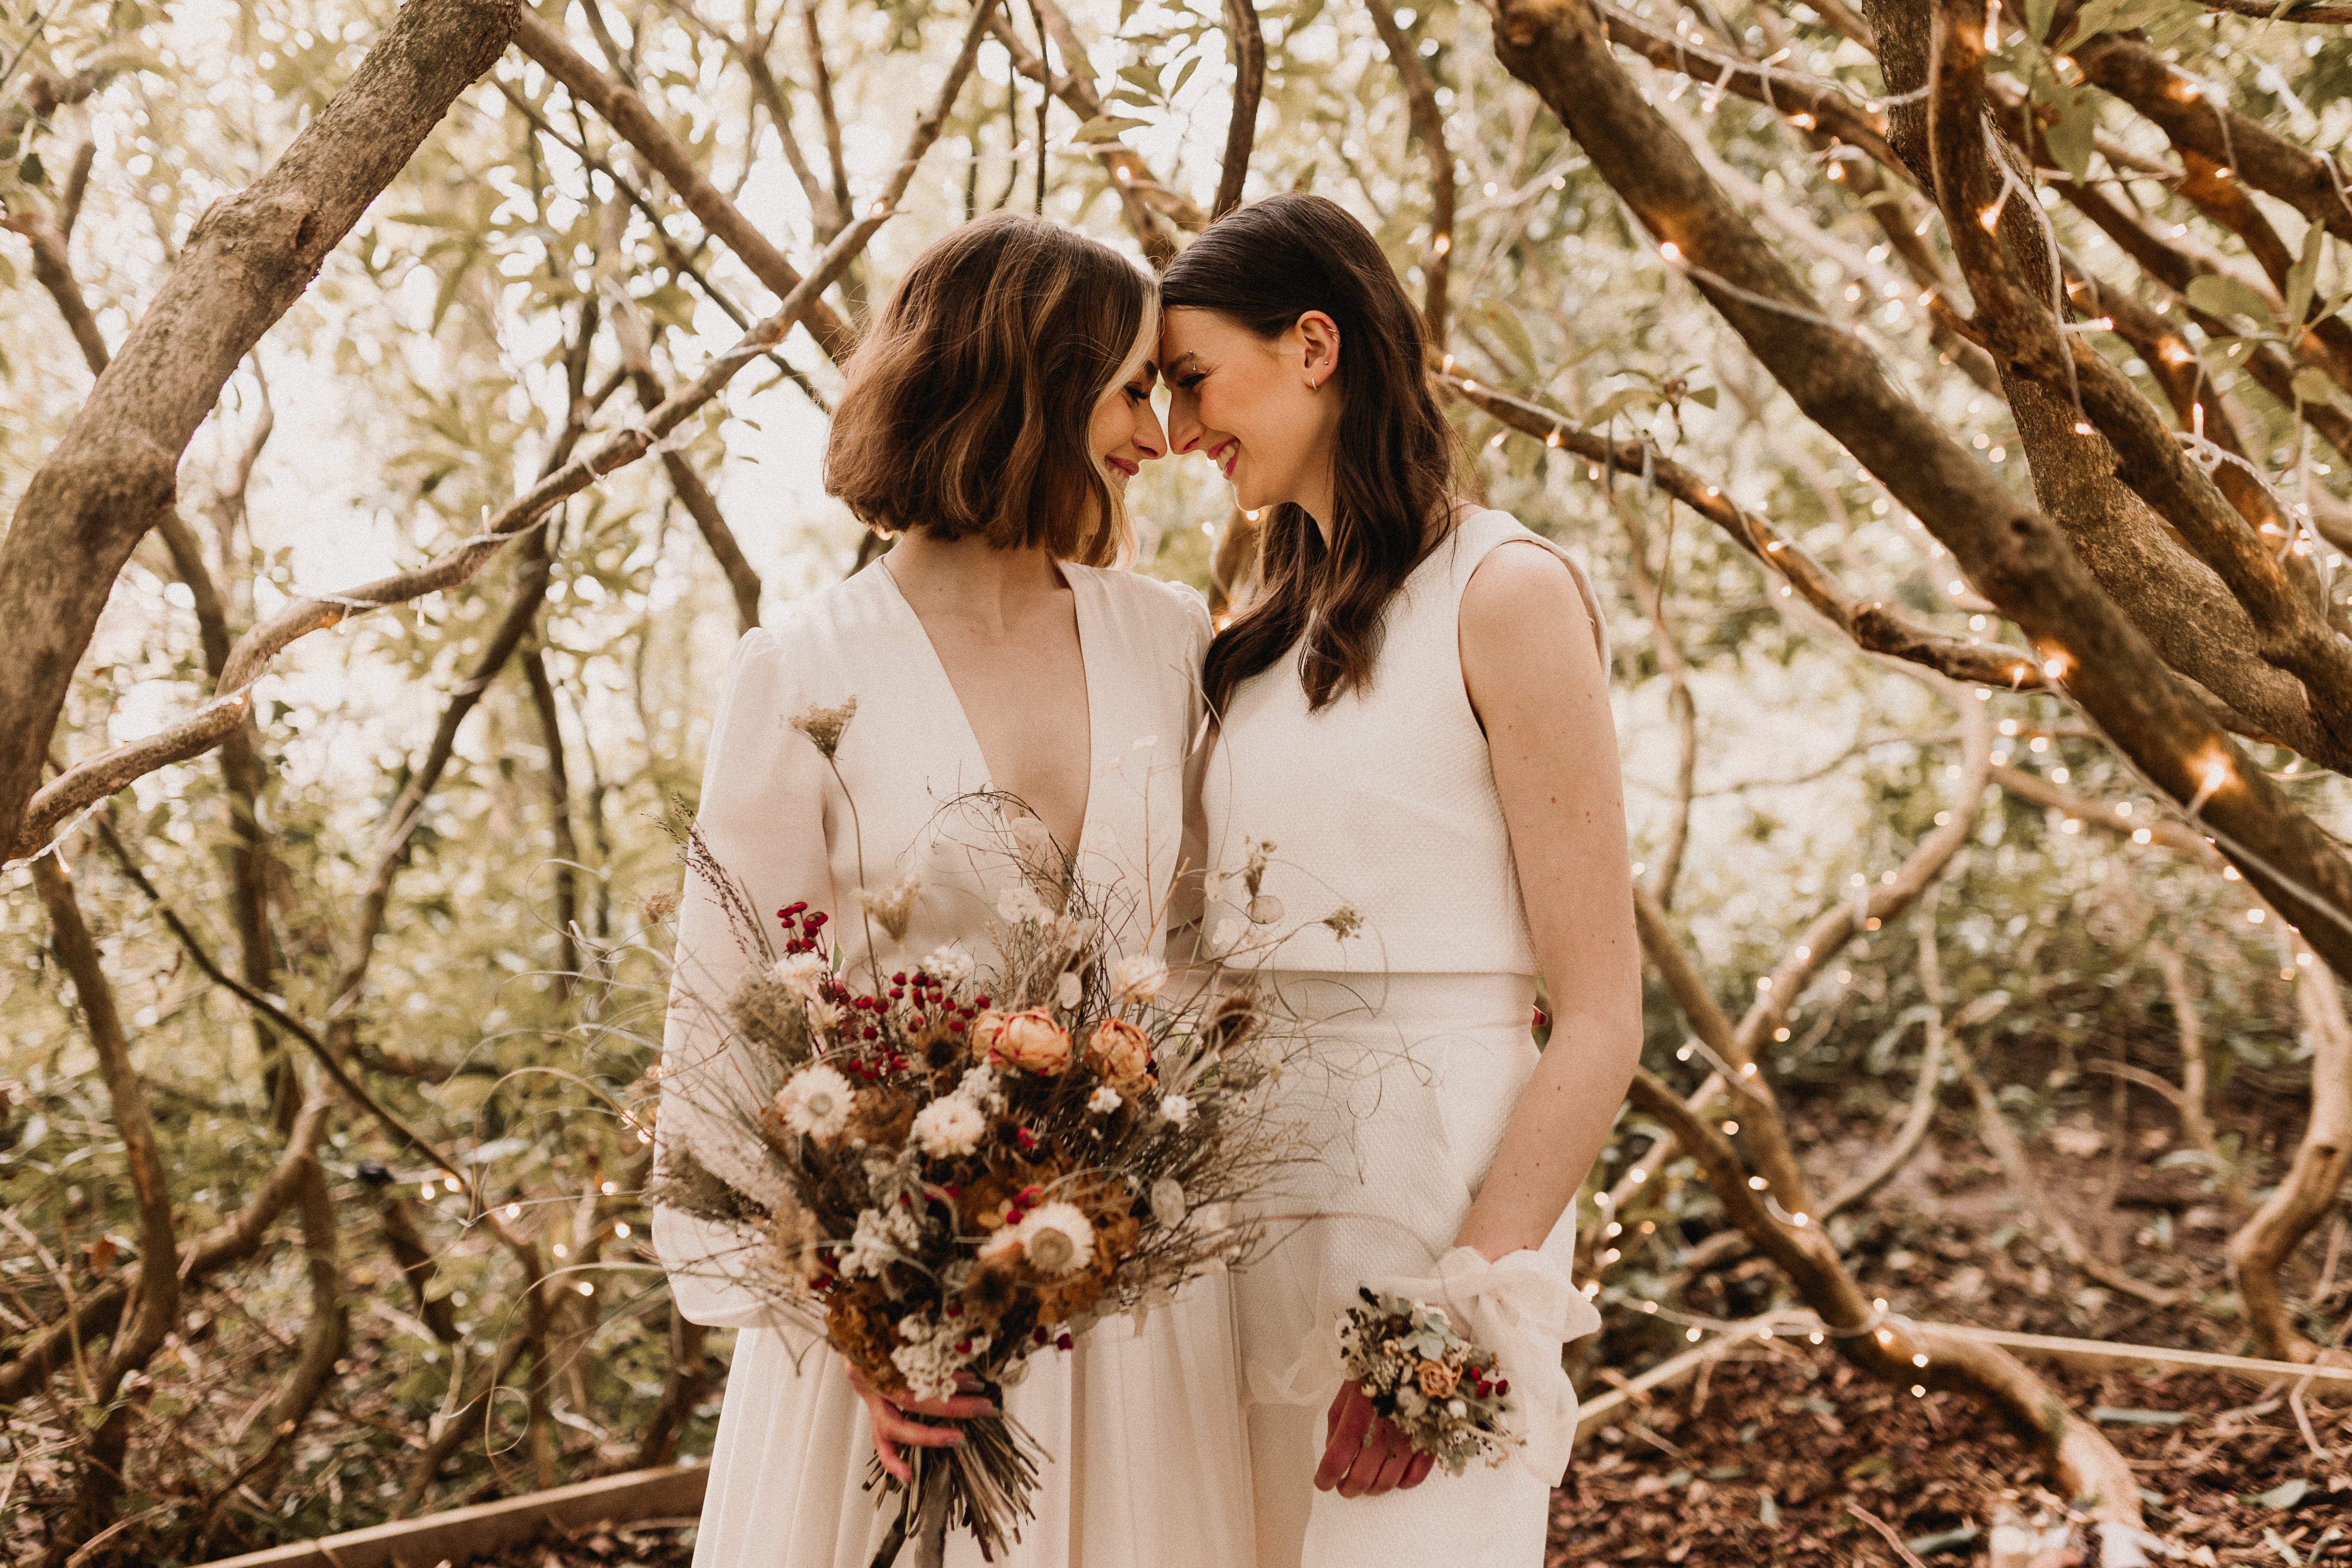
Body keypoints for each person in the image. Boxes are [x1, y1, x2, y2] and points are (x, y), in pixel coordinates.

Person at [655, 212, 1256, 1568]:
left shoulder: (1168, 641)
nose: (1160, 437)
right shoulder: (802, 670)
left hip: (1128, 1306)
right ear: (1027, 391)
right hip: (896, 1320)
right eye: (1128, 392)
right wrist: (865, 1320)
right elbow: (733, 1028)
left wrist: (1147, 1185)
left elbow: (1202, 955)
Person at [1160, 193, 1642, 1567]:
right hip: (1247, 1200)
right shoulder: (1253, 636)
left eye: (1196, 380)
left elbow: (1602, 1018)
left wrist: (1455, 1310)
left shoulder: (1509, 592)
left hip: (1438, 1203)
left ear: (1314, 344)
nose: (1184, 429)